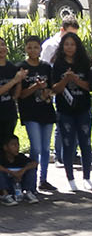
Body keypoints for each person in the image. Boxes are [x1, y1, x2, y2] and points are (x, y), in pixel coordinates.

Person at [50, 31, 92, 192]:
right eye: (66, 44)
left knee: (85, 143)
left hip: (83, 108)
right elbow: (54, 89)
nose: (69, 47)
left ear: (77, 46)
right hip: (65, 110)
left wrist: (76, 80)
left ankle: (87, 178)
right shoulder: (58, 64)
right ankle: (70, 179)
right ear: (62, 46)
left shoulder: (84, 63)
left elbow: (90, 86)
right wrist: (65, 80)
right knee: (68, 144)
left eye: (72, 44)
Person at [17, 36, 55, 192]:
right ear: (25, 49)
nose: (33, 50)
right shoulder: (22, 67)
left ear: (40, 49)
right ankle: (31, 180)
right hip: (30, 113)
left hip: (46, 111)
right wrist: (35, 87)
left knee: (46, 148)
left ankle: (43, 179)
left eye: (36, 47)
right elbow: (21, 95)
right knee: (36, 147)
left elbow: (52, 88)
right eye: (29, 47)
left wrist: (47, 92)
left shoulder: (46, 67)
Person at [0, 131, 38, 204]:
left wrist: (23, 170)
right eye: (13, 145)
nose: (17, 147)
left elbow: (34, 163)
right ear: (5, 147)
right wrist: (11, 172)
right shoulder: (2, 157)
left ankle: (29, 192)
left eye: (18, 144)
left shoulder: (20, 157)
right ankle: (5, 195)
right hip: (6, 183)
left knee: (31, 170)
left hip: (18, 183)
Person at [0, 38, 19, 145]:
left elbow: (15, 95)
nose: (1, 48)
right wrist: (14, 81)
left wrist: (19, 81)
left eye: (3, 45)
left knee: (6, 146)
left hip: (9, 114)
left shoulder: (12, 68)